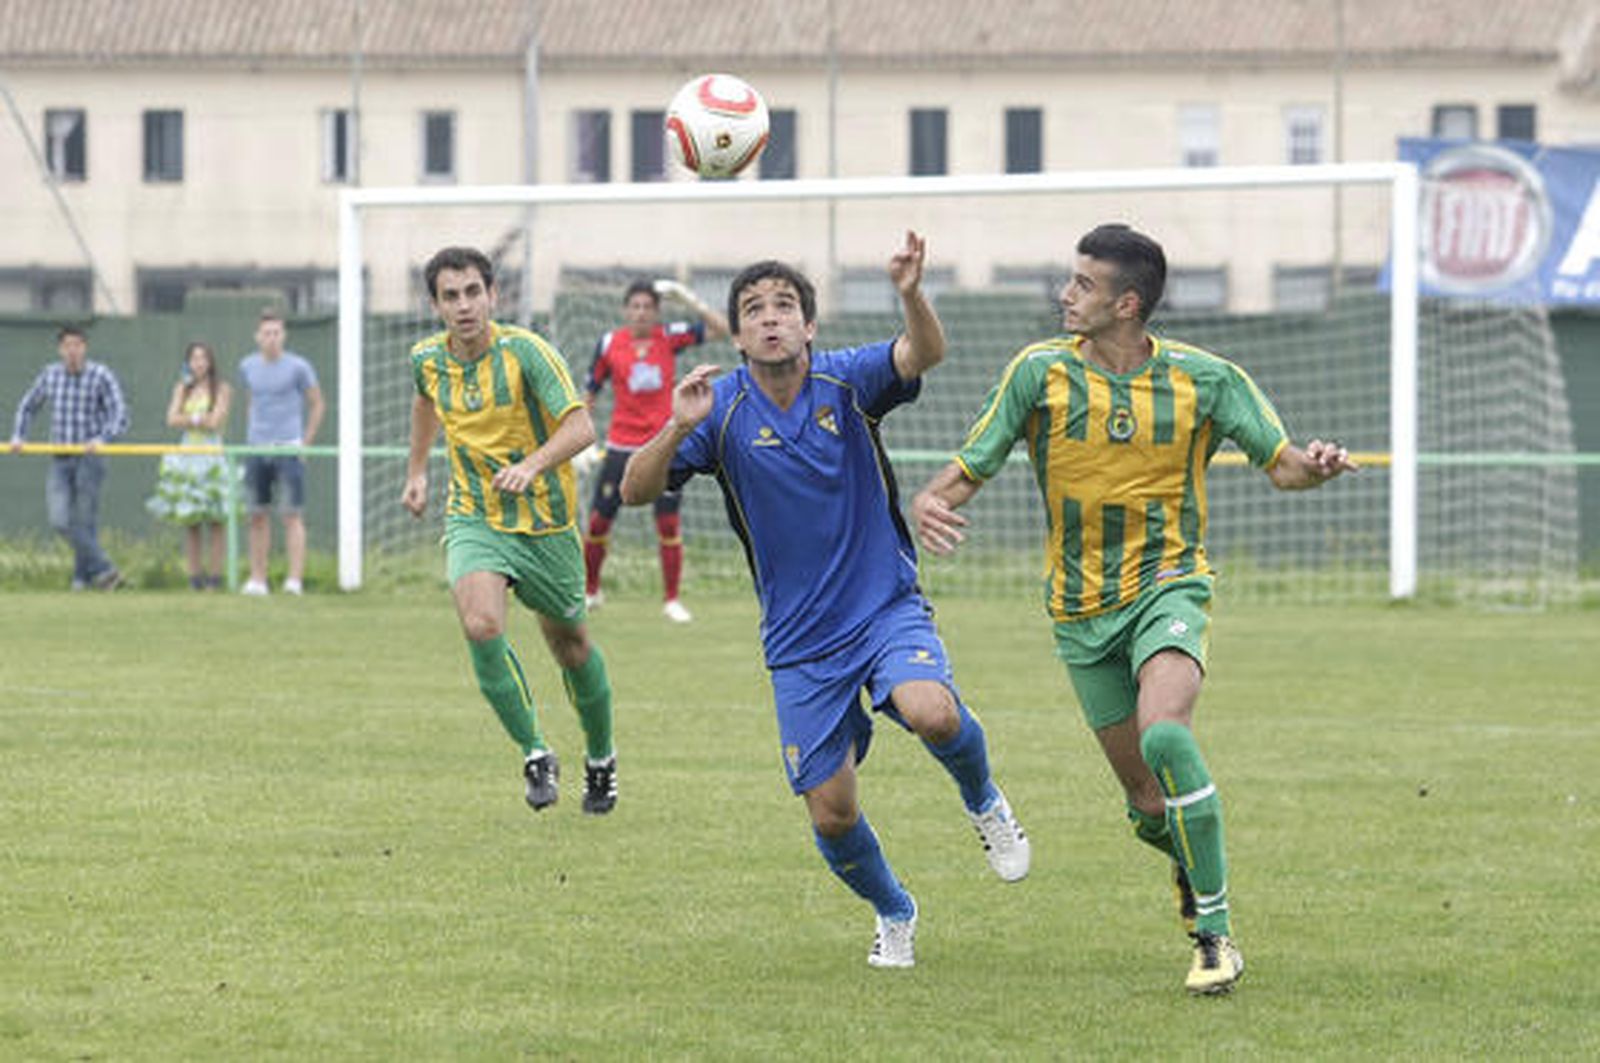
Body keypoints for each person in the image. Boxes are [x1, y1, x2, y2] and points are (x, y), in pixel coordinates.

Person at [911, 223, 1358, 996]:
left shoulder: (1207, 380)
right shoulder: (1038, 373)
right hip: (1080, 611)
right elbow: (973, 461)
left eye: (1081, 284)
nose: (1065, 294)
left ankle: (1216, 935)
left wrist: (1314, 466)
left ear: (1126, 303)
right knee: (1148, 804)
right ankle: (1187, 857)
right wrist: (928, 497)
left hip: (1168, 585)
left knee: (1166, 737)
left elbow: (1281, 465)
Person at [620, 231, 1030, 969]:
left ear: (809, 325)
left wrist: (908, 293)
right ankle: (894, 909)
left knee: (933, 710)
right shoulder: (717, 411)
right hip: (800, 641)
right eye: (753, 308)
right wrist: (677, 425)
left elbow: (923, 353)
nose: (770, 317)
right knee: (833, 812)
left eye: (785, 305)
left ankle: (984, 799)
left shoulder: (848, 381)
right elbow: (633, 489)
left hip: (882, 606)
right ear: (737, 333)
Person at [402, 245, 618, 815]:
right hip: (475, 512)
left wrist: (532, 465)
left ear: (493, 295)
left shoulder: (528, 353)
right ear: (436, 305)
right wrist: (419, 471)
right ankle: (534, 752)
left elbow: (581, 427)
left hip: (545, 521)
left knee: (570, 646)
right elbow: (425, 403)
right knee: (479, 622)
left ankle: (601, 759)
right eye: (451, 296)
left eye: (473, 292)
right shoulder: (426, 359)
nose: (464, 305)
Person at [581, 278, 729, 623]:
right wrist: (583, 442)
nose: (641, 313)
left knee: (668, 523)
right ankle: (591, 590)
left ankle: (672, 600)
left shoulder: (669, 336)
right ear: (625, 310)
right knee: (599, 520)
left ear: (658, 311)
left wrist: (691, 299)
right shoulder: (609, 344)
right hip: (620, 446)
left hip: (661, 446)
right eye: (635, 306)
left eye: (648, 307)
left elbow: (722, 330)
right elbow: (589, 393)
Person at [9, 325, 130, 590]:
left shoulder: (101, 375)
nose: (72, 351)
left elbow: (120, 415)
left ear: (84, 347)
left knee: (85, 520)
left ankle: (82, 580)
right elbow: (28, 406)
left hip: (90, 458)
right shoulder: (50, 375)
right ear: (60, 349)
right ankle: (105, 569)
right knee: (60, 519)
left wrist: (101, 439)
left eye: (77, 345)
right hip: (60, 457)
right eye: (67, 346)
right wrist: (19, 436)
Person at [238, 309, 324, 596]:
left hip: (289, 448)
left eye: (276, 333)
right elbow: (251, 401)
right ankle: (258, 579)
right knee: (257, 515)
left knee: (292, 515)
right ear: (257, 336)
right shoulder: (247, 366)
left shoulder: (299, 367)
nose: (271, 338)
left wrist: (305, 444)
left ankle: (294, 580)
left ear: (283, 335)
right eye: (266, 333)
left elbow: (317, 404)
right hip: (256, 448)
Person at [148, 341, 234, 589]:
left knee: (217, 521)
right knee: (191, 521)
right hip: (188, 457)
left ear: (210, 362)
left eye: (203, 358)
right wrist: (197, 418)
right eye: (194, 358)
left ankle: (216, 577)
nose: (199, 363)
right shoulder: (182, 389)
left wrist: (192, 419)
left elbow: (216, 421)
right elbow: (171, 419)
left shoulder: (222, 389)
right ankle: (194, 577)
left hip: (212, 456)